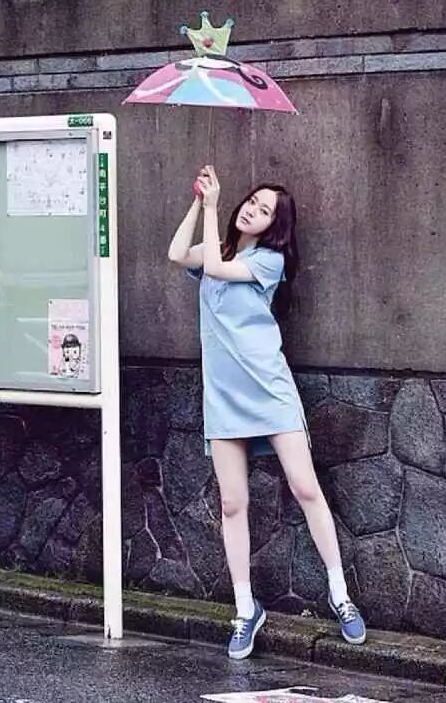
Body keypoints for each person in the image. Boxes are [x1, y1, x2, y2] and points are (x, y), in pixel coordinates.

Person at [169, 151, 366, 672]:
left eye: (263, 210)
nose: (252, 210)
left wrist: (214, 206)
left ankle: (340, 595)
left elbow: (216, 268)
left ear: (275, 226)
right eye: (251, 202)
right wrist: (199, 203)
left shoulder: (266, 261)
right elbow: (177, 254)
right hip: (224, 395)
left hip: (270, 390)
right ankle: (244, 609)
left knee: (305, 487)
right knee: (232, 502)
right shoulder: (220, 249)